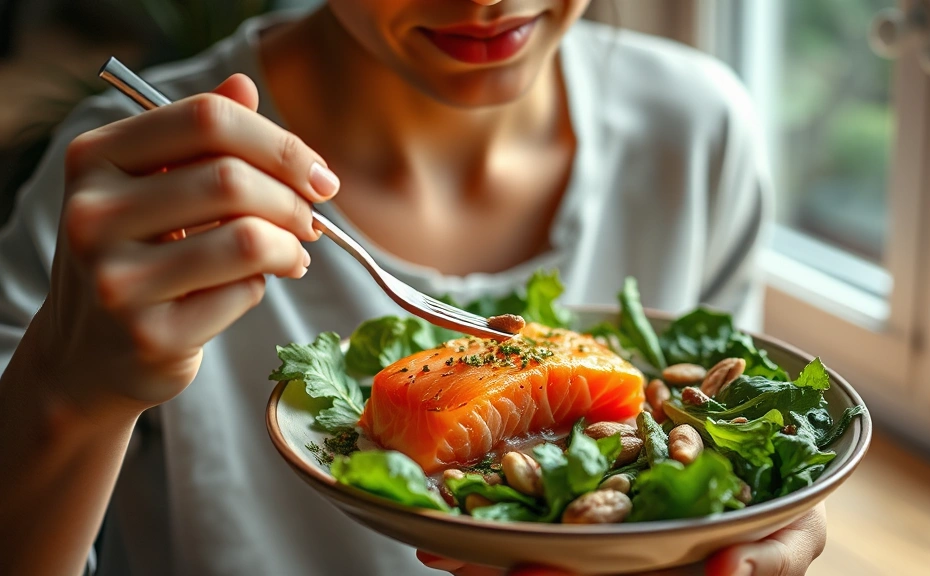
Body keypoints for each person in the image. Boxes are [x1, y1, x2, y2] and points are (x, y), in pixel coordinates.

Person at [0, 1, 826, 575]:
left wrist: (728, 525)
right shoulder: (132, 185)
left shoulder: (699, 133)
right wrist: (70, 390)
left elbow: (695, 443)